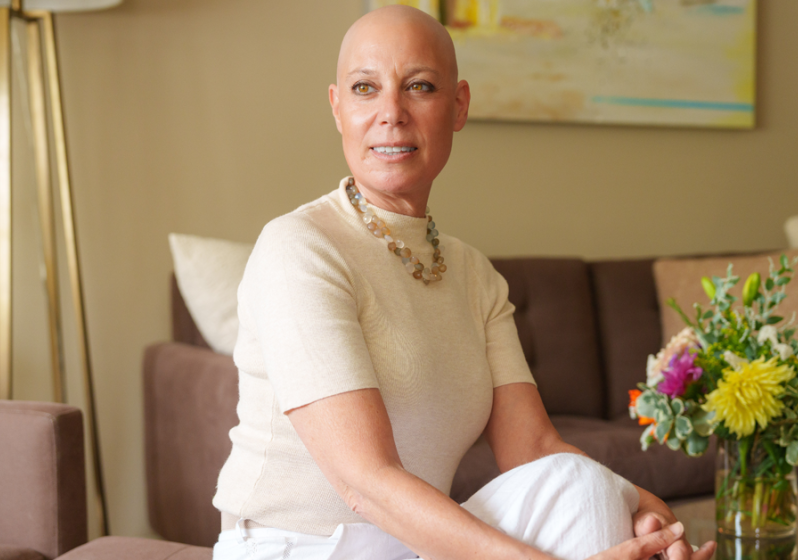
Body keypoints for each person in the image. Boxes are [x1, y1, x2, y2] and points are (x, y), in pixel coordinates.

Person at [211, 5, 716, 560]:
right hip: (297, 548)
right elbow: (364, 481)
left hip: (412, 544)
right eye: (365, 88)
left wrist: (647, 511)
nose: (391, 113)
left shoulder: (473, 273)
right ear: (337, 107)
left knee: (581, 486)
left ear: (458, 107)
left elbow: (536, 450)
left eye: (419, 86)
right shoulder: (300, 247)